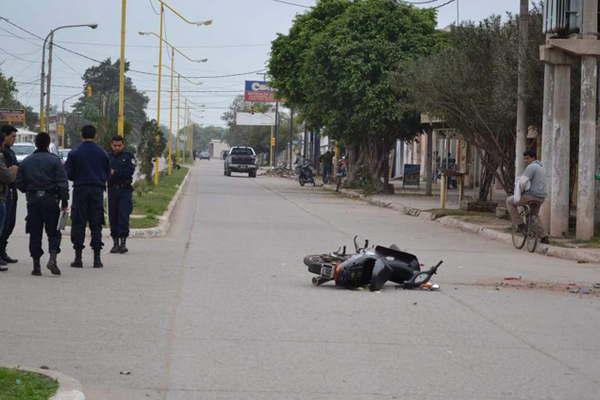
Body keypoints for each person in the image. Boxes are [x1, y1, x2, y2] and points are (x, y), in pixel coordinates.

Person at [16, 132, 68, 276]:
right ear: (48, 143)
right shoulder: (55, 161)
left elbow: (19, 182)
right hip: (51, 200)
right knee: (54, 232)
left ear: (36, 144)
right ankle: (52, 259)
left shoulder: (26, 161)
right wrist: (64, 201)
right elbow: (63, 183)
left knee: (35, 233)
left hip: (33, 201)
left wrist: (28, 190)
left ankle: (36, 265)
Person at [65, 125, 110, 268]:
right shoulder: (102, 153)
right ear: (95, 135)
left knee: (79, 223)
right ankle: (97, 259)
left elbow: (69, 174)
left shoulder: (74, 152)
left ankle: (78, 258)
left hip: (80, 190)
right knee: (96, 224)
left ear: (81, 135)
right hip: (97, 191)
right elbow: (107, 173)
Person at [506, 149, 548, 243]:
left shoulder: (531, 167)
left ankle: (520, 224)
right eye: (524, 159)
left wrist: (519, 192)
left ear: (533, 158)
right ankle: (544, 236)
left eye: (527, 158)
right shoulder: (541, 167)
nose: (525, 161)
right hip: (541, 197)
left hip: (531, 196)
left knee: (509, 201)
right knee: (533, 216)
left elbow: (522, 182)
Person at [108, 135, 136, 254]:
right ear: (111, 145)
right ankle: (115, 243)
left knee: (124, 216)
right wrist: (114, 174)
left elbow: (129, 171)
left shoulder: (128, 156)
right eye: (115, 145)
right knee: (113, 217)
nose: (117, 148)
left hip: (125, 190)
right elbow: (105, 172)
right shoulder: (107, 157)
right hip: (112, 190)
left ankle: (123, 243)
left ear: (123, 145)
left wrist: (115, 172)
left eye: (119, 145)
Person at [0, 125, 19, 265]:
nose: (14, 139)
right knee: (4, 223)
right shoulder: (3, 153)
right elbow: (7, 174)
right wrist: (12, 171)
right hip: (5, 190)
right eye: (12, 136)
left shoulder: (10, 152)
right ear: (4, 136)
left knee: (10, 223)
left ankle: (3, 250)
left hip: (12, 189)